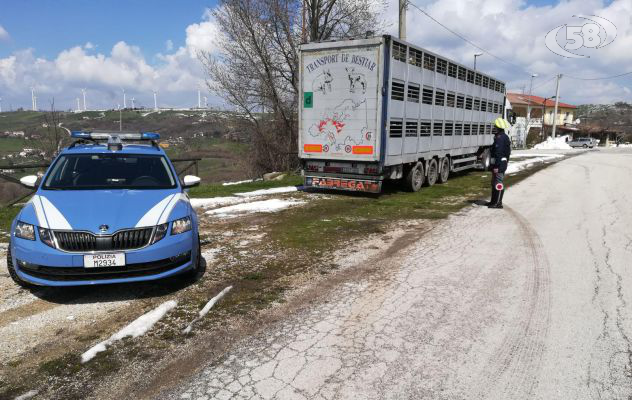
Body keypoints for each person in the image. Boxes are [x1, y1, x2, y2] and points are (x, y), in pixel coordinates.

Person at [488, 118, 511, 209]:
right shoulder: (502, 136)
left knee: (498, 182)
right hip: (501, 163)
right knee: (494, 182)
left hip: (499, 164)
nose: (494, 128)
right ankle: (493, 201)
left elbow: (499, 153)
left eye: (495, 127)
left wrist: (497, 165)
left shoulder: (500, 138)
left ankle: (498, 203)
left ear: (498, 128)